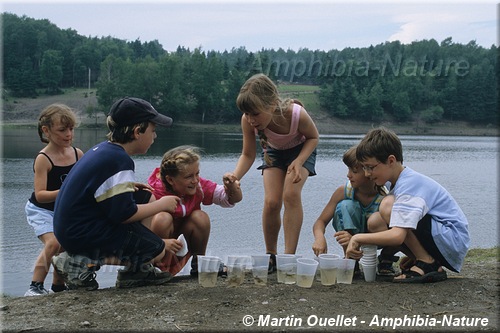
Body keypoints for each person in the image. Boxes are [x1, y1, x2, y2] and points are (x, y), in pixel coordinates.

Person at [52, 97, 180, 290]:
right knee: (157, 250)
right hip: (80, 233)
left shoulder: (106, 150)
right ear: (137, 132)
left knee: (145, 196)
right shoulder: (120, 160)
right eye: (153, 131)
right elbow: (124, 214)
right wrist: (163, 205)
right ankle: (77, 263)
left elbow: (94, 187)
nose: (155, 137)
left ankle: (137, 271)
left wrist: (126, 186)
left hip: (73, 227)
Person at [346, 127, 470, 283]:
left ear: (391, 161)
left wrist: (357, 238)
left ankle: (427, 262)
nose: (367, 174)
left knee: (387, 206)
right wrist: (411, 254)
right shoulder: (398, 182)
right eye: (364, 168)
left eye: (370, 167)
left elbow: (398, 236)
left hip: (452, 239)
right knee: (376, 221)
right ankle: (422, 258)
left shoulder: (410, 185)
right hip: (442, 239)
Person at [224, 73, 319, 272]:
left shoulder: (295, 114)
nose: (250, 119)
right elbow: (248, 155)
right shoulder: (247, 121)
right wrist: (235, 177)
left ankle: (288, 257)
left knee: (291, 194)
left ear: (273, 104)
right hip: (274, 152)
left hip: (301, 150)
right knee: (272, 201)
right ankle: (271, 256)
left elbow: (313, 137)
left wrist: (299, 161)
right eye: (246, 114)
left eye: (255, 114)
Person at [147, 145, 242, 276]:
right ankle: (152, 268)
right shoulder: (152, 192)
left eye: (197, 173)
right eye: (188, 177)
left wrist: (231, 186)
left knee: (200, 217)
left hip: (180, 247)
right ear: (170, 179)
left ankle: (200, 263)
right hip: (158, 247)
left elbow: (231, 199)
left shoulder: (198, 186)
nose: (195, 180)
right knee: (162, 218)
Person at [24, 104, 84, 296]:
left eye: (71, 129)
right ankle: (35, 286)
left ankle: (58, 287)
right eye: (62, 130)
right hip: (41, 209)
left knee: (65, 244)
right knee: (54, 243)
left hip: (64, 209)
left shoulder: (77, 154)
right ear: (46, 131)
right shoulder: (43, 158)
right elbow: (40, 194)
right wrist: (66, 190)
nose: (68, 134)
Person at [312, 146, 387, 257]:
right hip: (352, 239)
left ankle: (386, 258)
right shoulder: (344, 191)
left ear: (369, 172)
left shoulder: (385, 198)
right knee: (345, 206)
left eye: (354, 171)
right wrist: (319, 239)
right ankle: (350, 258)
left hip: (379, 239)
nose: (348, 175)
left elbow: (397, 232)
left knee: (377, 219)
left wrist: (358, 239)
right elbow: (320, 222)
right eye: (349, 169)